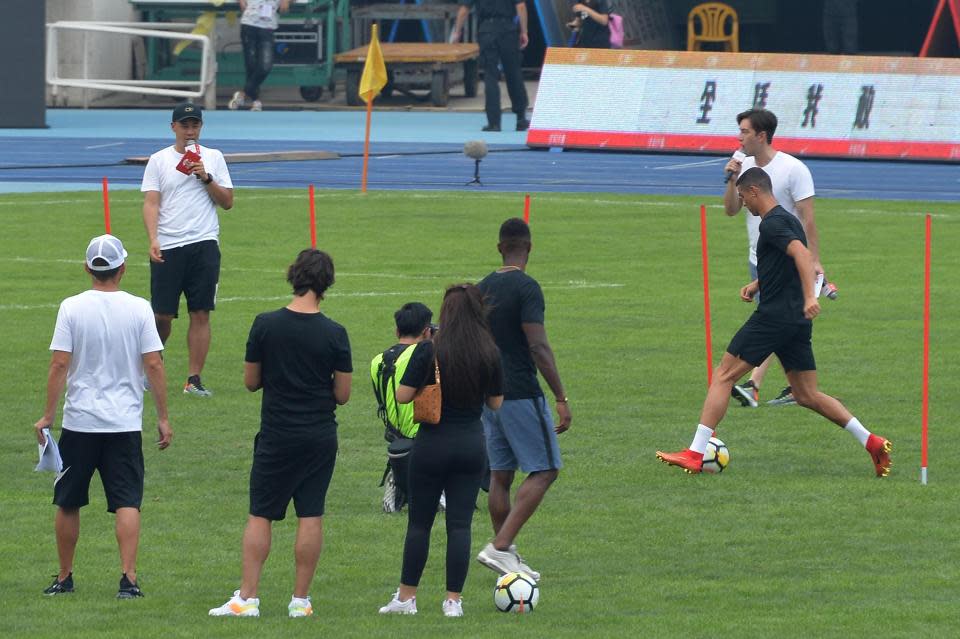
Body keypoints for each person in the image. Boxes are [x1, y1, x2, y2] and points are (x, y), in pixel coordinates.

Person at [656, 168, 892, 477]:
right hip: (795, 323)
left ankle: (695, 453)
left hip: (773, 318)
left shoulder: (772, 224)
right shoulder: (789, 219)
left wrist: (811, 296)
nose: (743, 204)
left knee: (723, 376)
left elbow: (803, 257)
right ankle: (872, 441)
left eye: (743, 197)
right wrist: (758, 284)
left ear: (755, 191)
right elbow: (785, 265)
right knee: (807, 395)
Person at [209, 249, 351, 618]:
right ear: (326, 285)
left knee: (261, 513)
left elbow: (250, 382)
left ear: (294, 277)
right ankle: (300, 601)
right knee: (311, 513)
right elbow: (343, 394)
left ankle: (247, 598)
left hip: (277, 433)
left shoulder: (265, 324)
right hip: (319, 435)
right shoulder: (336, 333)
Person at [35, 234, 172, 598]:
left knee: (68, 500)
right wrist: (162, 417)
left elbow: (59, 363)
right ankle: (128, 579)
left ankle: (64, 577)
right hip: (124, 423)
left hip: (80, 422)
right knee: (127, 500)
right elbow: (154, 363)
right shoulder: (140, 308)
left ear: (87, 269)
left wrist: (48, 415)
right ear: (122, 268)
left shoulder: (71, 307)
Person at [379, 284, 503, 618]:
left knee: (419, 524)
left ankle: (406, 598)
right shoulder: (489, 350)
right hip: (471, 444)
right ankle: (453, 601)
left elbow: (403, 396)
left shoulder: (428, 350)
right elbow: (495, 403)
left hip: (432, 443)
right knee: (460, 526)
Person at [474, 217, 571, 581]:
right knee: (545, 469)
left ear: (499, 247)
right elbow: (538, 345)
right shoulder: (528, 288)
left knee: (501, 475)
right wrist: (560, 395)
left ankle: (508, 555)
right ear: (529, 247)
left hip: (489, 395)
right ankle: (499, 546)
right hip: (519, 392)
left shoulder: (482, 288)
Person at [723, 108, 824, 408]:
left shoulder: (793, 169)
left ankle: (755, 383)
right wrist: (731, 180)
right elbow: (730, 209)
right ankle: (796, 386)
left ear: (761, 135)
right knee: (775, 320)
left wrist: (814, 260)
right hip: (759, 256)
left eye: (744, 131)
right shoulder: (743, 166)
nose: (739, 137)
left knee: (772, 320)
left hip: (789, 258)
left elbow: (808, 220)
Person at [141, 102, 234, 397]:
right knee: (162, 316)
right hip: (169, 245)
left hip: (204, 242)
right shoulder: (158, 160)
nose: (190, 131)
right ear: (173, 128)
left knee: (201, 312)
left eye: (195, 125)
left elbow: (228, 201)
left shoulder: (214, 158)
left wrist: (206, 177)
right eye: (185, 125)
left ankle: (193, 379)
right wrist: (153, 238)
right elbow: (152, 202)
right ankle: (152, 361)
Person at [370, 302, 435, 513]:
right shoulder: (423, 355)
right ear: (427, 331)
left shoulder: (377, 360)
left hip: (394, 431)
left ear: (397, 330)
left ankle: (399, 478)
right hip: (422, 430)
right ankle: (438, 491)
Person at [451, 1, 530, 132]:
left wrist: (457, 31)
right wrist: (524, 31)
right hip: (508, 30)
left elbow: (464, 9)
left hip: (487, 30)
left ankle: (494, 123)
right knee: (514, 73)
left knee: (490, 76)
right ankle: (521, 118)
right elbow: (521, 6)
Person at [229, 0, 291, 111]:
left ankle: (243, 94)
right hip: (249, 23)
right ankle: (255, 101)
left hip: (268, 27)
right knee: (251, 64)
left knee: (265, 66)